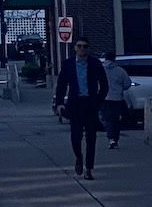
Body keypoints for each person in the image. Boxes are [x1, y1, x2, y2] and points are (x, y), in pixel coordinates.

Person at [54, 37, 110, 179]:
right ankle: (79, 158)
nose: (82, 49)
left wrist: (98, 101)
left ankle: (89, 168)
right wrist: (59, 103)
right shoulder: (68, 65)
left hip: (90, 105)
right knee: (75, 137)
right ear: (75, 48)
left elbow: (104, 85)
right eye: (79, 46)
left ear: (88, 48)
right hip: (75, 104)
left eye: (84, 46)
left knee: (91, 138)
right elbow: (61, 85)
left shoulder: (95, 64)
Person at [102, 53, 133, 150]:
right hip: (117, 98)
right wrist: (120, 88)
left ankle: (111, 138)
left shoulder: (101, 70)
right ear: (114, 59)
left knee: (108, 119)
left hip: (105, 98)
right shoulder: (120, 70)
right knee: (116, 119)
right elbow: (127, 83)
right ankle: (115, 138)